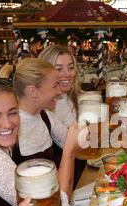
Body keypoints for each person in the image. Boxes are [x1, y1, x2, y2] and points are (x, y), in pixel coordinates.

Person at [11, 58, 82, 197]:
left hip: (56, 202)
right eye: (55, 85)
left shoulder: (45, 116)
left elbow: (76, 144)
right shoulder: (10, 129)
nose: (60, 91)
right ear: (33, 92)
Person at [38, 45, 85, 186]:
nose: (67, 74)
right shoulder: (44, 108)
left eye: (71, 68)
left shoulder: (75, 96)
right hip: (65, 180)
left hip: (83, 170)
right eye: (58, 69)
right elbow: (72, 144)